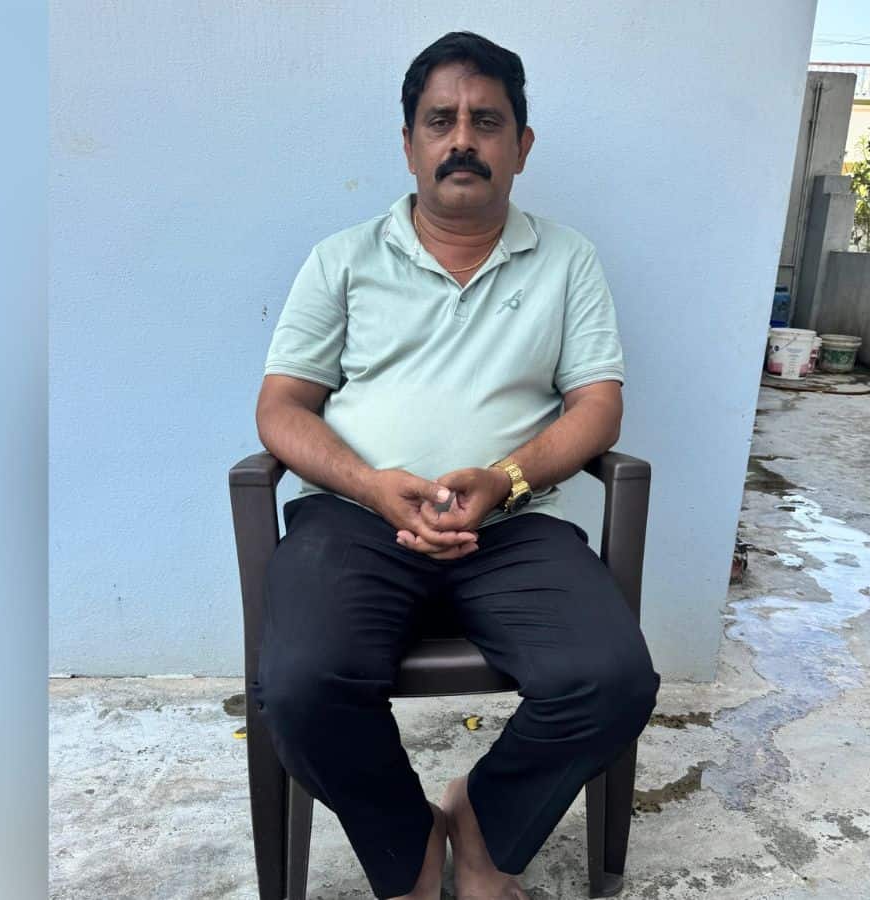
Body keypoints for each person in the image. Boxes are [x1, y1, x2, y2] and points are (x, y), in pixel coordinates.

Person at [251, 31, 660, 900]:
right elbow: (281, 407)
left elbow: (598, 404)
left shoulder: (566, 260)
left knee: (614, 679)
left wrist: (504, 479)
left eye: (486, 121)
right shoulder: (343, 261)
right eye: (440, 120)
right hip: (356, 522)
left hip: (512, 524)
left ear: (522, 146)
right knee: (299, 685)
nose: (462, 139)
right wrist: (369, 484)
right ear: (408, 144)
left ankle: (480, 824)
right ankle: (408, 855)